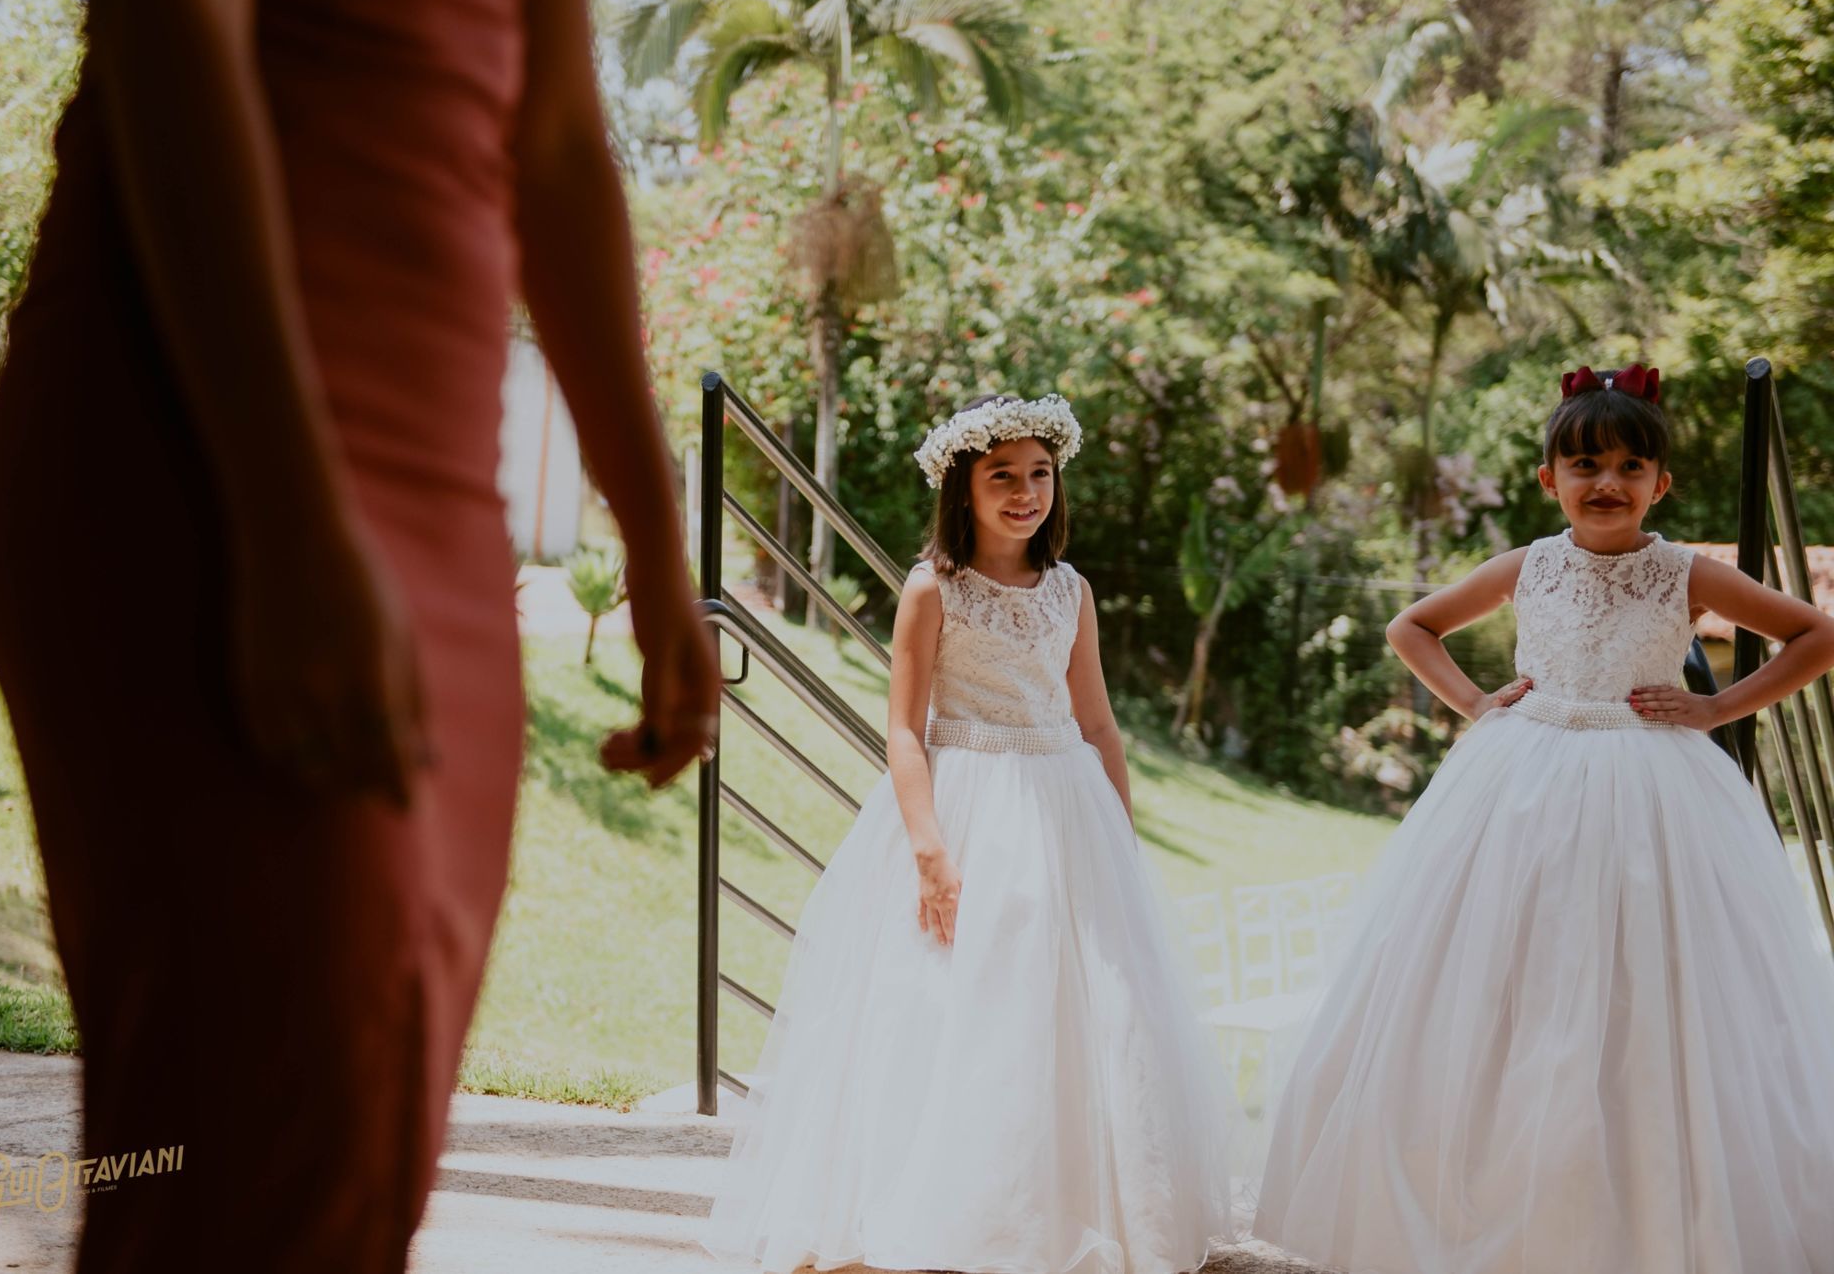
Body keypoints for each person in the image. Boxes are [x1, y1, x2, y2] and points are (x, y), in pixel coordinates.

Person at [0, 0, 718, 1269]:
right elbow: (175, 26)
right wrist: (287, 518)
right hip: (206, 448)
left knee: (362, 1146)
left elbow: (553, 140)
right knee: (265, 1165)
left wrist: (654, 536)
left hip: (442, 499)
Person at [1252, 364, 1834, 1273]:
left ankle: (1638, 1214)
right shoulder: (1528, 565)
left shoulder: (1685, 572)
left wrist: (1720, 708)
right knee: (1500, 976)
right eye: (1586, 464)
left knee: (1642, 986)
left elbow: (1818, 634)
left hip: (1652, 795)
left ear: (1662, 484)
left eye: (1631, 467)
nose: (1608, 483)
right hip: (1520, 785)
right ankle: (1479, 1201)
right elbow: (1412, 628)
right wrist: (1479, 704)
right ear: (1549, 478)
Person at [704, 395, 1240, 1274]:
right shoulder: (933, 589)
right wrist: (929, 850)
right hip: (966, 804)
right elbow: (904, 729)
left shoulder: (1072, 591)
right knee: (955, 1002)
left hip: (1065, 808)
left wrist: (1121, 838)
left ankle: (1061, 1212)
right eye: (1003, 477)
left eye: (1040, 475)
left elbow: (1098, 724)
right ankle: (936, 1208)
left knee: (1074, 1013)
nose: (1025, 493)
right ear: (964, 487)